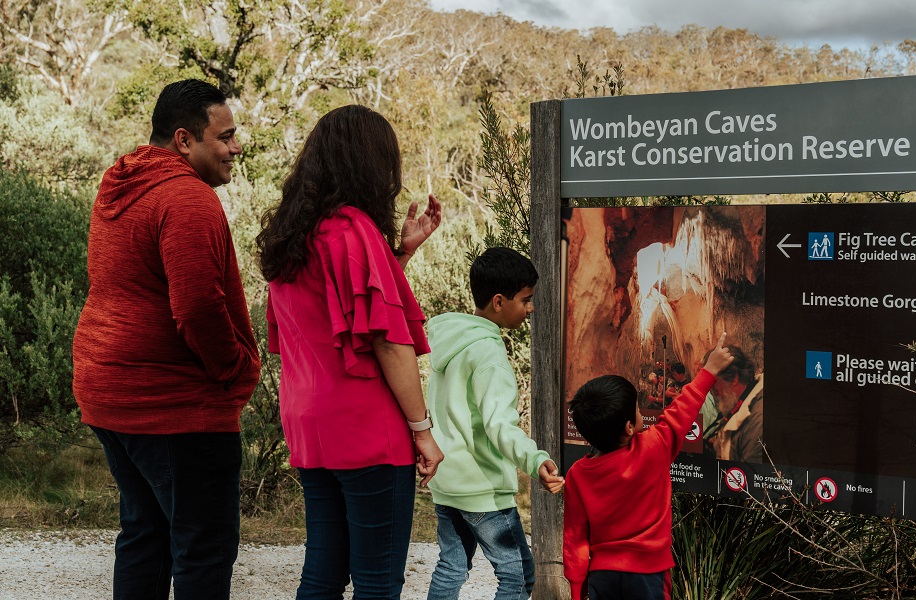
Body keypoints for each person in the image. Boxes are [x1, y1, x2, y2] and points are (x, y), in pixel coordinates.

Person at [72, 78, 261, 599]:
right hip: (173, 405)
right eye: (224, 138)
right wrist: (236, 370)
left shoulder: (121, 182)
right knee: (204, 548)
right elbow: (198, 307)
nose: (235, 147)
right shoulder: (187, 199)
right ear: (184, 139)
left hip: (110, 394)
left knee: (145, 536)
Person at [256, 104, 444, 599]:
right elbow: (386, 338)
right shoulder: (353, 229)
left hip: (311, 428)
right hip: (366, 430)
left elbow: (340, 311)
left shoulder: (293, 237)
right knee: (378, 580)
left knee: (322, 573)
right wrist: (422, 431)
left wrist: (401, 253)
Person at [426, 247, 565, 600]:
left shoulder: (452, 342)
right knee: (518, 575)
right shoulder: (488, 352)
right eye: (526, 299)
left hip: (447, 483)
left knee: (452, 566)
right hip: (482, 489)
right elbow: (499, 425)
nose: (530, 308)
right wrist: (535, 460)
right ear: (500, 301)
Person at [563, 334, 734, 600]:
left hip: (602, 574)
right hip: (648, 572)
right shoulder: (654, 447)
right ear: (629, 427)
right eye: (637, 410)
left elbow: (575, 538)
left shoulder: (577, 475)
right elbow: (681, 412)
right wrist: (710, 369)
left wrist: (577, 591)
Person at [704, 345, 763, 463]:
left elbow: (748, 477)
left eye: (714, 384)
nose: (713, 392)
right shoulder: (742, 403)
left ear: (734, 378)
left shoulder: (758, 421)